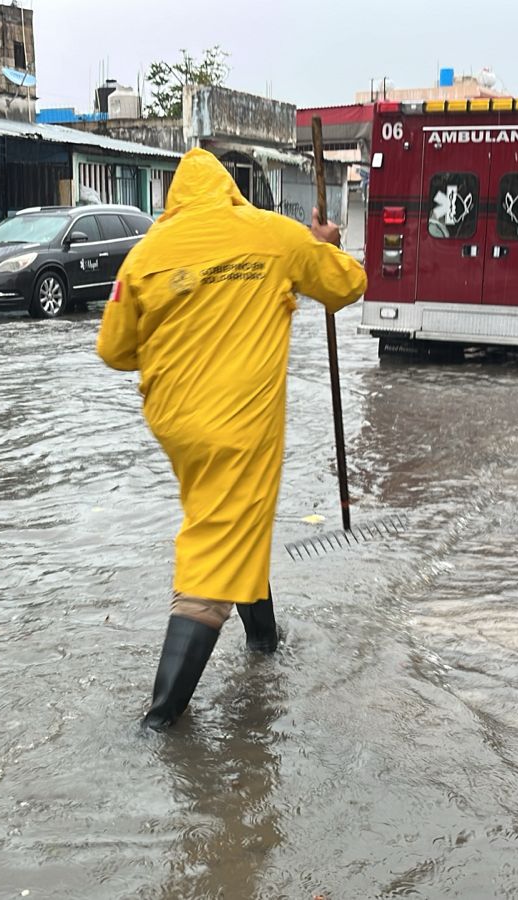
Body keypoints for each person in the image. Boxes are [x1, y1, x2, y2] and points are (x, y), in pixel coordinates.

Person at [97, 148, 367, 731]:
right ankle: (161, 720)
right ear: (230, 191)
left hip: (176, 426)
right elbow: (347, 286)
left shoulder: (144, 256)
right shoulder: (273, 236)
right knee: (217, 541)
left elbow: (114, 350)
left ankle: (264, 643)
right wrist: (325, 243)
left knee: (233, 516)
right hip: (239, 424)